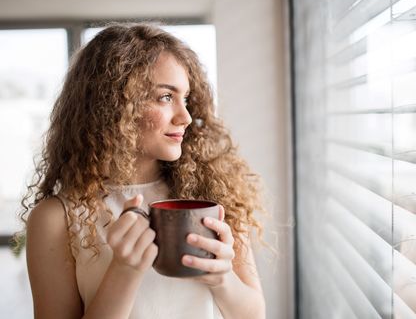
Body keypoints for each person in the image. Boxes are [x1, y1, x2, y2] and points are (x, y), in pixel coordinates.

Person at [21, 23, 266, 319]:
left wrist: (222, 277)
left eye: (185, 98)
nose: (186, 117)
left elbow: (254, 314)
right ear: (111, 105)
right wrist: (124, 271)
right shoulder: (56, 218)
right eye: (165, 97)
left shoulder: (211, 195)